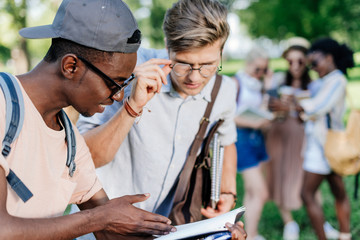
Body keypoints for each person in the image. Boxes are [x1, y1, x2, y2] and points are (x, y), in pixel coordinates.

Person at [0, 0, 180, 239]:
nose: (117, 97)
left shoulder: (70, 140)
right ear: (71, 66)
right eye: (114, 83)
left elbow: (109, 231)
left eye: (123, 85)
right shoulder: (4, 107)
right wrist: (99, 218)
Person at [77, 0, 239, 233]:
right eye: (183, 64)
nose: (195, 77)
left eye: (208, 65)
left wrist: (227, 191)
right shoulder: (125, 67)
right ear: (166, 45)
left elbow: (226, 140)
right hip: (104, 226)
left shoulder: (224, 89)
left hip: (167, 228)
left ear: (221, 52)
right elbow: (85, 159)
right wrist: (132, 104)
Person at [298, 38, 354, 240]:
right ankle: (344, 236)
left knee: (306, 193)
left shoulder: (337, 79)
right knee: (338, 191)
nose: (313, 68)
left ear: (329, 58)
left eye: (315, 63)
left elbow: (318, 107)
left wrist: (292, 106)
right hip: (325, 144)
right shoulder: (325, 80)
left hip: (325, 146)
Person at [265, 37, 311, 240]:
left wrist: (292, 106)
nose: (295, 66)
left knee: (307, 179)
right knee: (279, 176)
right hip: (279, 134)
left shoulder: (315, 83)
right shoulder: (280, 81)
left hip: (302, 137)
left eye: (299, 61)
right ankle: (289, 222)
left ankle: (318, 217)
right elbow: (271, 108)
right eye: (290, 61)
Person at [233, 47, 271, 240]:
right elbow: (227, 115)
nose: (260, 73)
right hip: (242, 140)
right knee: (261, 192)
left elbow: (262, 109)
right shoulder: (236, 82)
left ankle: (250, 231)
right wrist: (251, 122)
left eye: (264, 69)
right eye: (258, 69)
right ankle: (251, 235)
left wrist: (267, 84)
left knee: (251, 192)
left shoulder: (259, 84)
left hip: (257, 139)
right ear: (248, 64)